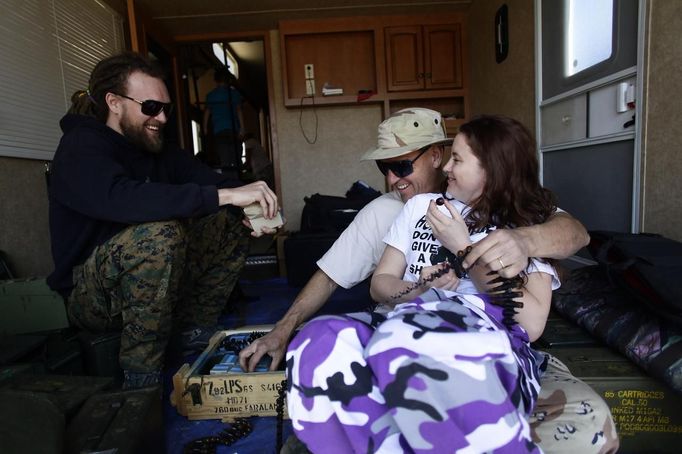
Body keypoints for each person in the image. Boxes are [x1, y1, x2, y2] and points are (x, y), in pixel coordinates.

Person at [240, 108, 617, 452]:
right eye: (384, 169)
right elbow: (352, 279)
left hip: (462, 325)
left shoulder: (528, 223)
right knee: (319, 341)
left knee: (407, 340)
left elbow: (537, 305)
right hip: (403, 314)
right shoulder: (412, 207)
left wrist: (465, 247)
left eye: (401, 166)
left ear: (489, 168)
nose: (392, 180)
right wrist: (418, 288)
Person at [47, 51, 279, 389]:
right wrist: (224, 196)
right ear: (114, 102)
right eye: (151, 107)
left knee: (229, 216)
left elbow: (208, 182)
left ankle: (194, 333)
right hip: (92, 297)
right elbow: (122, 199)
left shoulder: (157, 148)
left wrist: (254, 201)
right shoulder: (80, 146)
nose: (162, 118)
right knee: (159, 235)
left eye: (165, 108)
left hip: (153, 285)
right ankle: (140, 379)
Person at [203, 68, 245, 172]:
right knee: (236, 161)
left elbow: (207, 113)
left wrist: (205, 129)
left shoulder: (211, 96)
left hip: (219, 130)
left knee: (224, 162)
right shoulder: (234, 94)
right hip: (233, 129)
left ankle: (229, 184)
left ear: (216, 81)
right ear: (228, 80)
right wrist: (242, 128)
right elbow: (239, 111)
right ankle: (237, 183)